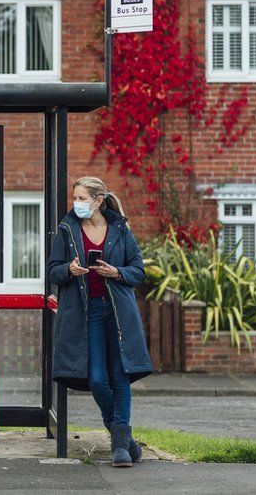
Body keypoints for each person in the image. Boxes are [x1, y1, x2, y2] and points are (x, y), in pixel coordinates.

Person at [47, 176, 152, 468]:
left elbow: (138, 271)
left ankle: (119, 446)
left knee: (120, 376)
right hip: (85, 312)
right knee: (96, 378)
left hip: (118, 311)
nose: (76, 203)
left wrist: (116, 272)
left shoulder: (120, 229)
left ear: (98, 201)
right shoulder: (67, 230)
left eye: (82, 198)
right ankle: (126, 440)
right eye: (75, 198)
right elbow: (53, 271)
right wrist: (68, 269)